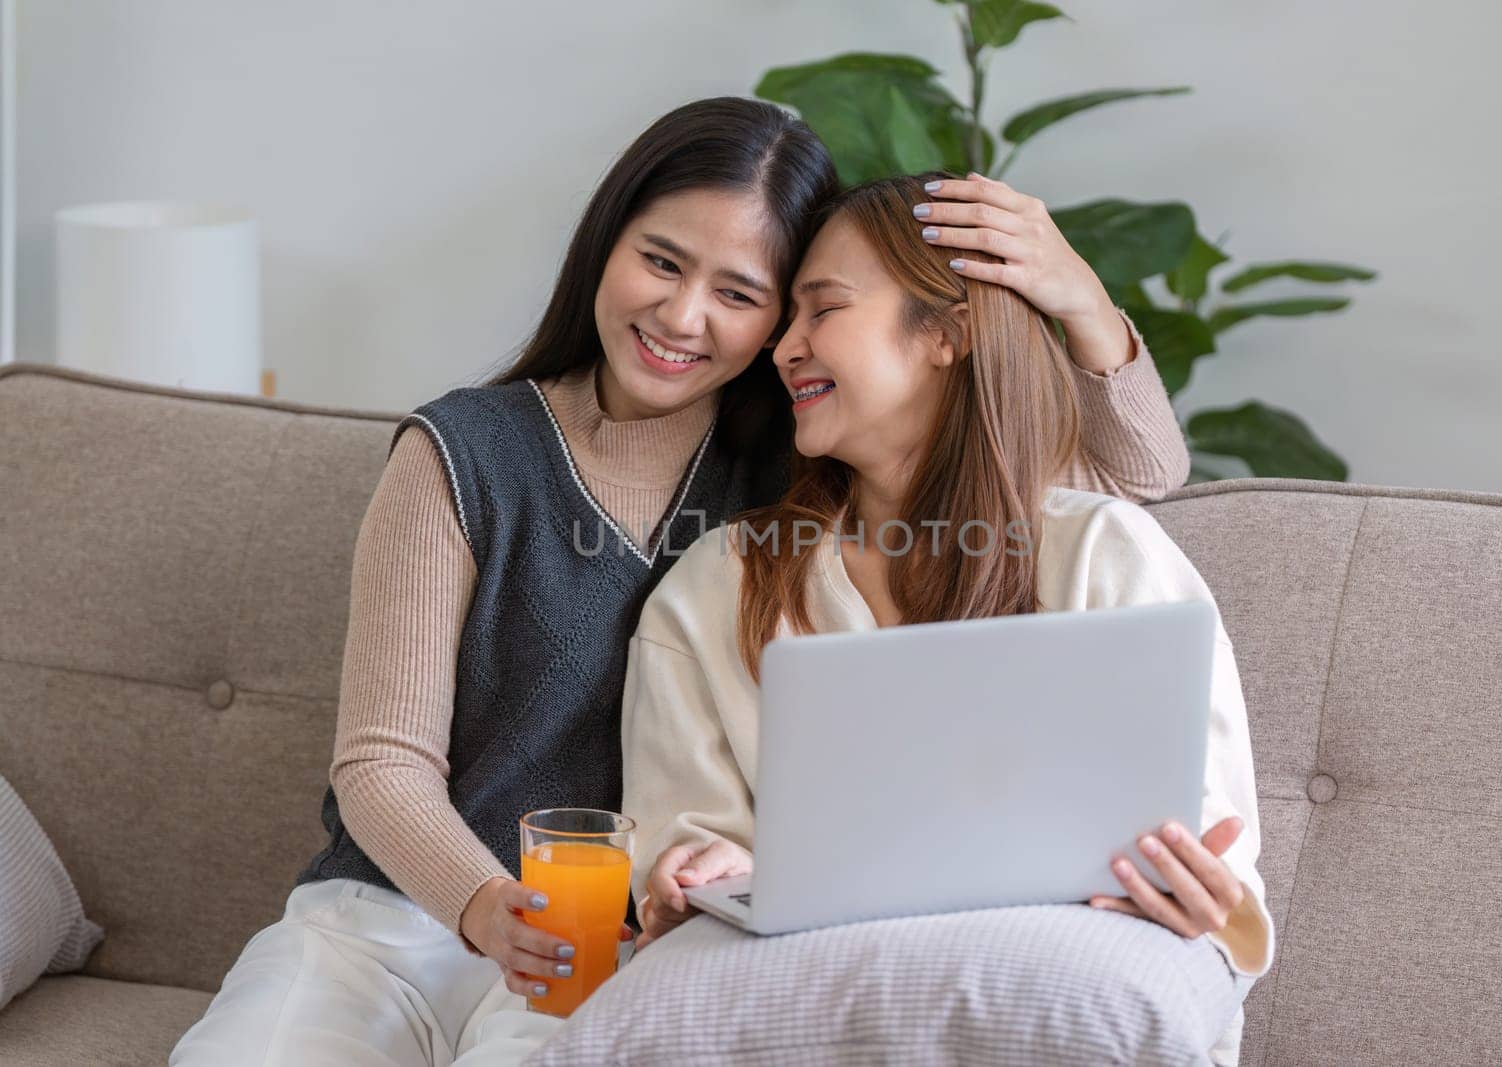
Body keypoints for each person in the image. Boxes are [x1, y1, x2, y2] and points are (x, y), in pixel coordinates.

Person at [171, 96, 1192, 1065]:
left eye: (740, 294)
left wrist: (1074, 295)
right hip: (387, 922)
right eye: (661, 260)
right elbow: (383, 762)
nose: (683, 313)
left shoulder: (800, 463)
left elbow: (1133, 478)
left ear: (779, 320)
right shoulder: (464, 452)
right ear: (604, 244)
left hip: (625, 951)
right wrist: (488, 909)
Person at [619, 173, 1272, 1066]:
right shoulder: (715, 588)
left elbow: (1202, 831)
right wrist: (688, 878)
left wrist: (1198, 889)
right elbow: (690, 835)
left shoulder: (1103, 554)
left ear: (948, 335)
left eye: (823, 309)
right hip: (808, 1002)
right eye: (787, 319)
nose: (784, 349)